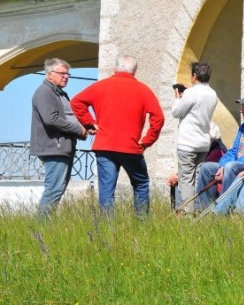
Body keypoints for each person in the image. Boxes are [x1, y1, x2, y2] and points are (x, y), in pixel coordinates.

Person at [71, 54, 165, 217]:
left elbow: (76, 102)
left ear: (115, 68)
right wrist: (147, 141)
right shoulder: (143, 89)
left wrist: (90, 123)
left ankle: (108, 230)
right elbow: (159, 117)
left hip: (105, 145)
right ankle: (141, 225)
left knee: (107, 190)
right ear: (134, 71)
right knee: (141, 184)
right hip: (131, 146)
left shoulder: (100, 86)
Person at [30, 58, 88, 218]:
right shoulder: (44, 92)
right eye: (62, 73)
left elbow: (66, 117)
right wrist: (78, 129)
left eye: (68, 74)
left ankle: (44, 227)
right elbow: (51, 119)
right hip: (54, 148)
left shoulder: (57, 92)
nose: (66, 77)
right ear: (50, 75)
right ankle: (41, 229)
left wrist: (84, 129)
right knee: (53, 189)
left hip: (61, 147)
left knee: (57, 189)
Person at [195, 93, 244, 210]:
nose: (242, 110)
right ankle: (202, 208)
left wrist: (226, 166)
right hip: (235, 164)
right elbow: (233, 150)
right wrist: (222, 165)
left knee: (230, 166)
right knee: (206, 168)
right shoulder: (243, 127)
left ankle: (222, 209)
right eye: (242, 107)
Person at [171, 62, 217, 212]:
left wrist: (178, 97)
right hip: (203, 142)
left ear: (194, 76)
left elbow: (176, 112)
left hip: (188, 143)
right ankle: (198, 209)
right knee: (197, 178)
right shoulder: (212, 94)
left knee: (186, 180)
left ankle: (186, 213)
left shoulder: (191, 93)